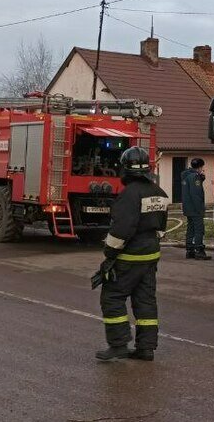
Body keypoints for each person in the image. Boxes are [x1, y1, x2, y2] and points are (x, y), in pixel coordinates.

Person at [94, 147, 168, 362]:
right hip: (151, 255)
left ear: (125, 168)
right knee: (145, 300)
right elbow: (161, 228)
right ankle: (146, 348)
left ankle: (118, 345)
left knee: (112, 297)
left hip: (129, 257)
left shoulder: (129, 194)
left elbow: (122, 229)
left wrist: (110, 253)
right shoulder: (159, 192)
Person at [181, 158, 210, 260]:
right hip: (195, 208)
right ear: (199, 167)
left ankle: (190, 250)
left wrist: (201, 179)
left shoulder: (186, 176)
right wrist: (200, 209)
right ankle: (199, 251)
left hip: (188, 207)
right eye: (202, 167)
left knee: (190, 228)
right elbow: (196, 194)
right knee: (199, 229)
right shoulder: (195, 177)